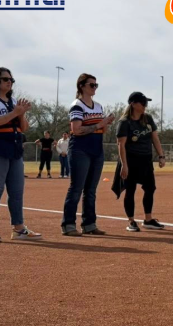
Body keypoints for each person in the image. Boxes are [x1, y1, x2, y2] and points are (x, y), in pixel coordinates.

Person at [0, 67, 42, 242]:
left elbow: (24, 128)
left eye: (11, 80)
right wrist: (14, 113)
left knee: (16, 190)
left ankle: (19, 229)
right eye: (5, 79)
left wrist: (21, 114)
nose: (9, 82)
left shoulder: (13, 101)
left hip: (14, 148)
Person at [61, 73, 115, 237]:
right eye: (92, 85)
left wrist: (106, 124)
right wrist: (101, 123)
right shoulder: (77, 106)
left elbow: (102, 130)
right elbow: (76, 130)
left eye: (96, 85)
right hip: (80, 150)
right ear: (82, 86)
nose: (94, 88)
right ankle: (68, 224)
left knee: (91, 190)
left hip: (96, 150)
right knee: (76, 188)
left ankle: (89, 224)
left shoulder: (98, 106)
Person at [114, 91, 167, 232]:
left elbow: (155, 138)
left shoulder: (147, 119)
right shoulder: (124, 123)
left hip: (146, 160)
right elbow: (121, 145)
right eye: (142, 103)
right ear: (133, 104)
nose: (145, 105)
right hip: (130, 160)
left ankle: (148, 219)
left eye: (146, 103)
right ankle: (131, 221)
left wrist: (161, 156)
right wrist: (124, 165)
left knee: (150, 188)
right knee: (130, 190)